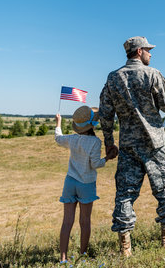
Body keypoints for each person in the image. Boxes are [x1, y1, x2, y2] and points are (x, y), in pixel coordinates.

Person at [99, 36, 165, 257]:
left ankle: (125, 248)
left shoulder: (113, 78)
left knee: (125, 194)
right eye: (148, 50)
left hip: (128, 146)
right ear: (138, 52)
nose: (151, 54)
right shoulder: (152, 74)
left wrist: (109, 143)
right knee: (164, 191)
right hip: (155, 145)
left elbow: (105, 114)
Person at [54, 107, 116, 264]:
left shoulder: (72, 139)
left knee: (67, 221)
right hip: (86, 184)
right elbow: (95, 164)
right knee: (85, 221)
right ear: (93, 125)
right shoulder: (95, 142)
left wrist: (58, 123)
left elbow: (58, 138)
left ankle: (63, 258)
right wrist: (107, 158)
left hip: (70, 182)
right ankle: (82, 256)